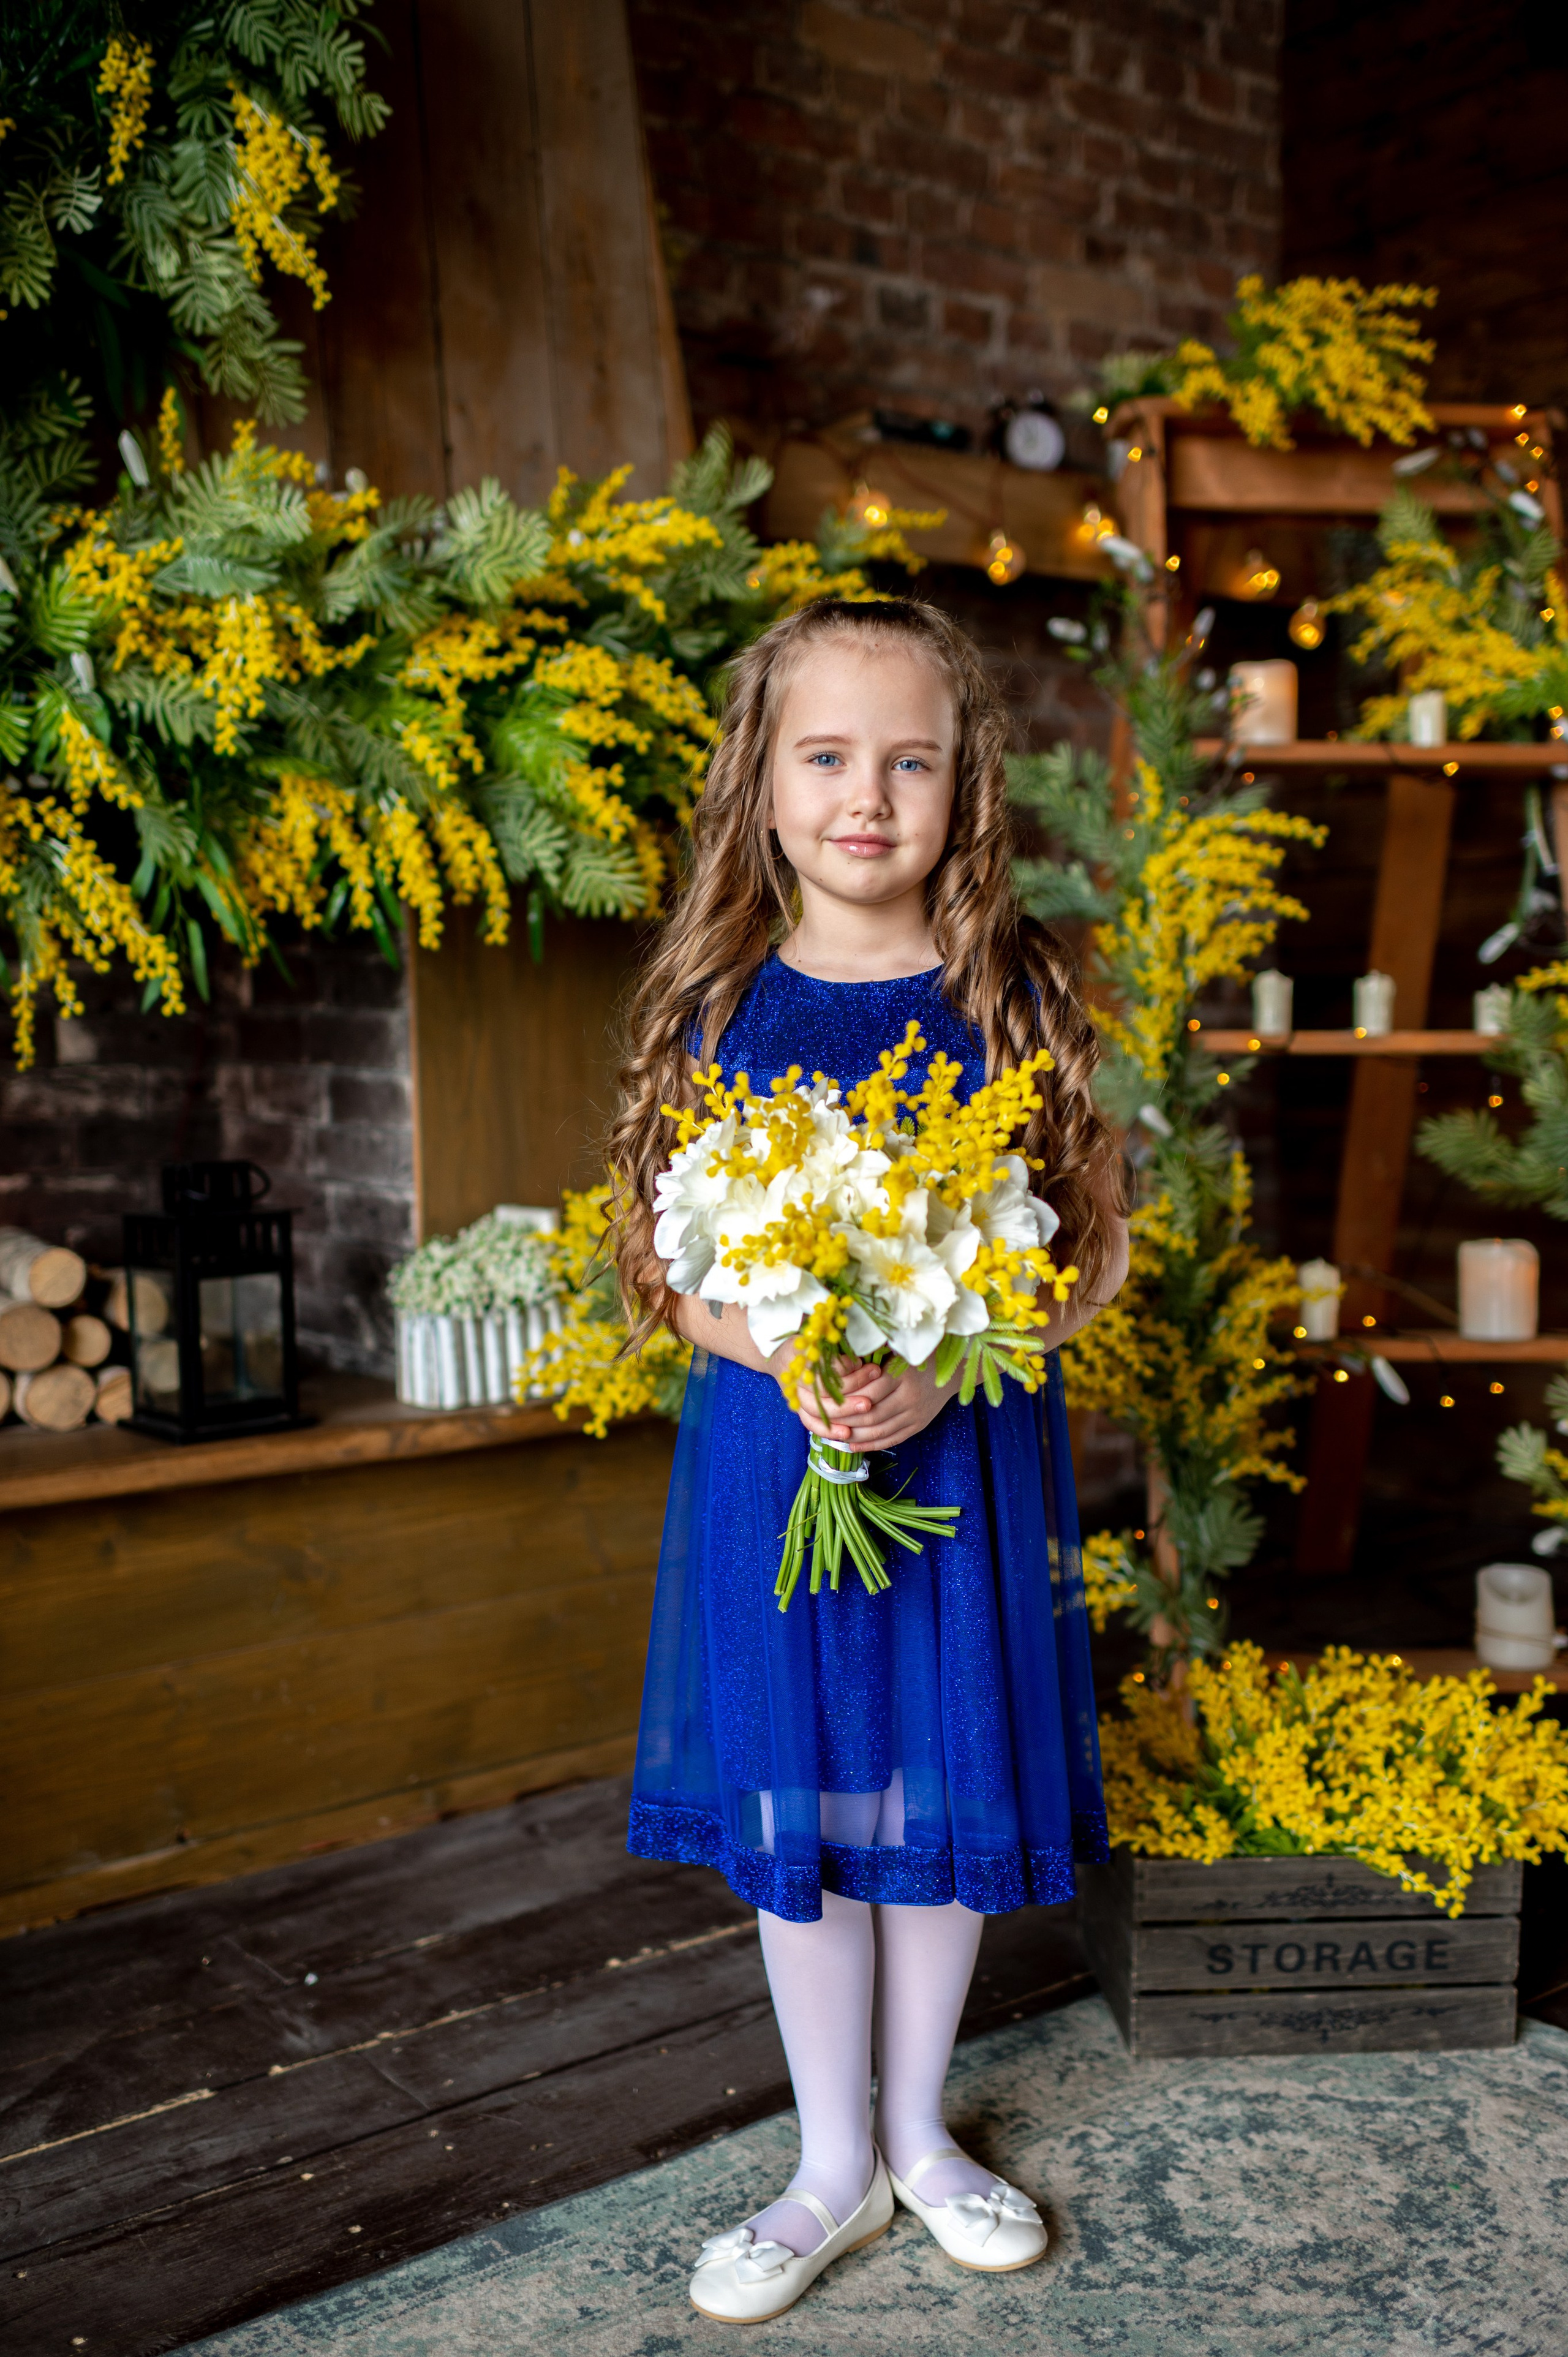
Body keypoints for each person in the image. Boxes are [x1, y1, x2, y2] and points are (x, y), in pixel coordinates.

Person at [606, 596, 1130, 2325]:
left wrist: (947, 1355)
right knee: (809, 1792)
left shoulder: (1011, 994)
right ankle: (828, 2161)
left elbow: (1087, 1254)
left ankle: (922, 2136)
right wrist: (793, 1351)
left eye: (912, 762)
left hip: (959, 1465)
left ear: (966, 785)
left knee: (941, 1775)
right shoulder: (719, 1001)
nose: (866, 797)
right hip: (782, 1468)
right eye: (826, 756)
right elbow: (668, 1267)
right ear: (760, 783)